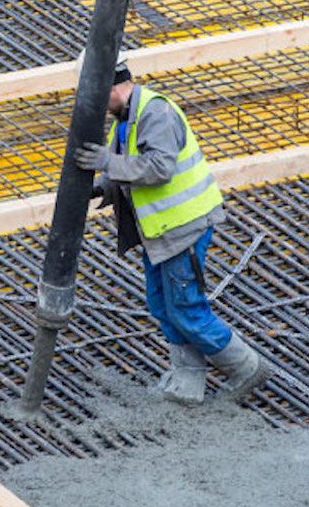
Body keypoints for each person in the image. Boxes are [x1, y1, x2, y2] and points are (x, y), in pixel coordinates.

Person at [74, 51, 272, 406]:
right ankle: (187, 378)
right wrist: (103, 186)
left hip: (185, 226)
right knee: (162, 305)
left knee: (185, 307)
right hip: (160, 231)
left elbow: (159, 167)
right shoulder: (126, 118)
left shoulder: (155, 113)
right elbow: (129, 165)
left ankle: (246, 366)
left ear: (113, 86)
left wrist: (108, 162)